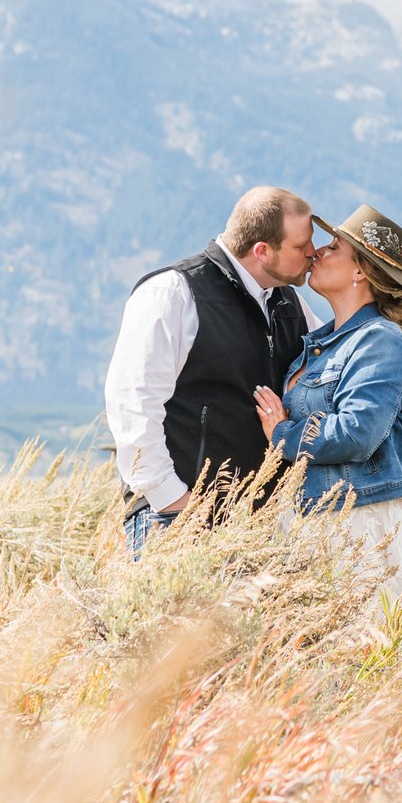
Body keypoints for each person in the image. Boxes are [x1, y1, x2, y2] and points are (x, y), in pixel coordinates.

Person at [106, 186, 323, 555]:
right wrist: (172, 500)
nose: (312, 253)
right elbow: (132, 401)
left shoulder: (292, 305)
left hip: (260, 527)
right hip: (177, 521)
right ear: (262, 251)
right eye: (301, 246)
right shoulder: (173, 292)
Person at [253, 204, 402, 613]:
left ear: (361, 273)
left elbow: (357, 433)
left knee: (377, 657)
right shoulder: (318, 342)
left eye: (334, 247)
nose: (318, 251)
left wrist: (282, 435)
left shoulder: (380, 342)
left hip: (372, 524)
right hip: (320, 521)